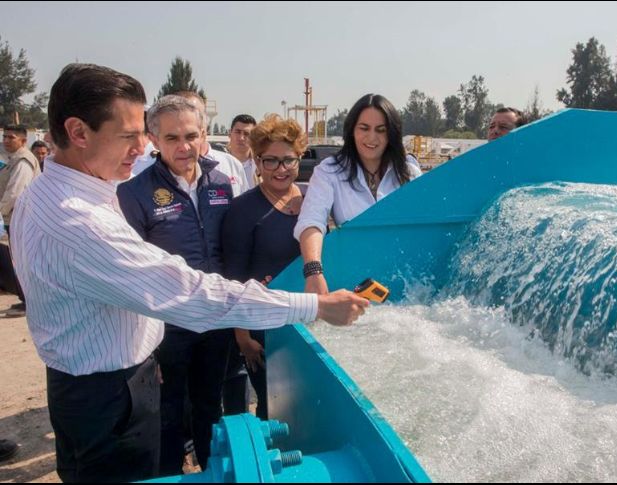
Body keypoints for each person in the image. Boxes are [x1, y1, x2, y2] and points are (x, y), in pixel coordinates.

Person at [10, 63, 368, 483]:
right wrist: (315, 307)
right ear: (78, 132)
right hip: (111, 396)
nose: (141, 146)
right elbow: (190, 292)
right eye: (129, 135)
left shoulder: (49, 193)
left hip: (92, 381)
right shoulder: (80, 220)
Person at [116, 95, 234, 475]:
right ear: (153, 139)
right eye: (172, 138)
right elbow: (131, 271)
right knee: (167, 411)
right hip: (168, 327)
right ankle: (170, 473)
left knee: (209, 405)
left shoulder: (221, 184)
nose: (184, 146)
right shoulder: (134, 193)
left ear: (203, 135)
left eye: (191, 136)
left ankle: (212, 471)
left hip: (215, 320)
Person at [221, 114, 306, 419]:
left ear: (299, 159)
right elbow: (233, 276)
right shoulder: (242, 209)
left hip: (306, 319)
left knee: (305, 405)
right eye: (271, 161)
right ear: (257, 162)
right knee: (274, 408)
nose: (281, 169)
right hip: (263, 328)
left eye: (288, 160)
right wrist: (243, 337)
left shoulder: (313, 201)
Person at [295, 93, 421, 294]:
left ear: (392, 134)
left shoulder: (410, 173)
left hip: (405, 281)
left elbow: (423, 226)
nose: (372, 137)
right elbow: (311, 221)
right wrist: (314, 272)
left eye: (381, 130)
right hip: (353, 281)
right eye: (364, 128)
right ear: (352, 130)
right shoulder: (329, 171)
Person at [0, 125, 41, 317]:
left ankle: (30, 301)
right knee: (19, 259)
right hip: (14, 217)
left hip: (22, 217)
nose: (6, 140)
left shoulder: (23, 161)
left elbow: (15, 192)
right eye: (5, 136)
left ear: (23, 141)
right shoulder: (11, 159)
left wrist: (0, 211)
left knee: (24, 260)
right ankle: (25, 299)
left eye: (11, 137)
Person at [227, 114, 259, 189]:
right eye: (238, 132)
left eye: (246, 134)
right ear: (230, 133)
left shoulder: (260, 168)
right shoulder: (220, 165)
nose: (241, 138)